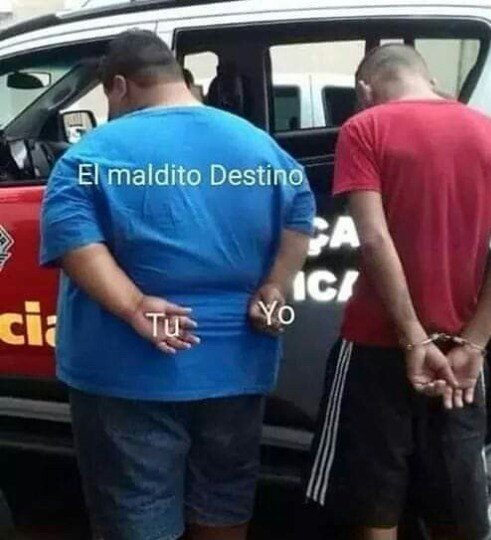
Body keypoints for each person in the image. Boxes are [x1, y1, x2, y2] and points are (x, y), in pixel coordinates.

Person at [40, 30, 315, 540]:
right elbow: (300, 213)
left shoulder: (90, 155)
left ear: (119, 85)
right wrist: (276, 285)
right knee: (223, 500)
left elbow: (75, 242)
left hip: (128, 372)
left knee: (136, 507)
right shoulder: (260, 146)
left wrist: (133, 305)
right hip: (237, 362)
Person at [305, 44, 491, 540]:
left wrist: (413, 338)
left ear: (365, 89)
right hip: (460, 356)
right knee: (457, 507)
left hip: (375, 343)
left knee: (374, 507)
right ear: (430, 80)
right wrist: (474, 343)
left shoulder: (364, 127)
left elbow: (373, 237)